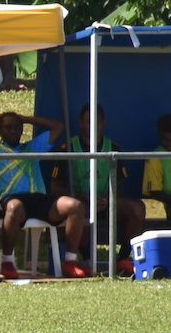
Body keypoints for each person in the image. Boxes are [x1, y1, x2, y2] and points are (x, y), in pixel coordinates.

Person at [0, 109, 87, 278]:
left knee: (75, 206)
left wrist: (25, 119)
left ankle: (70, 262)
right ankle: (7, 262)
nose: (13, 130)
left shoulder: (32, 147)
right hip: (11, 200)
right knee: (15, 206)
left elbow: (58, 126)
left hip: (39, 199)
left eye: (17, 127)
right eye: (8, 127)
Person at [58, 103, 146, 271]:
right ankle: (88, 259)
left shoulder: (113, 148)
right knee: (78, 208)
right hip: (82, 203)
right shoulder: (68, 148)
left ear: (104, 123)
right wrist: (83, 196)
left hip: (106, 202)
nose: (93, 126)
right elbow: (56, 187)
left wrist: (108, 198)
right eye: (88, 122)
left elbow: (120, 183)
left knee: (137, 207)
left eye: (97, 122)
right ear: (80, 123)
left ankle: (123, 258)